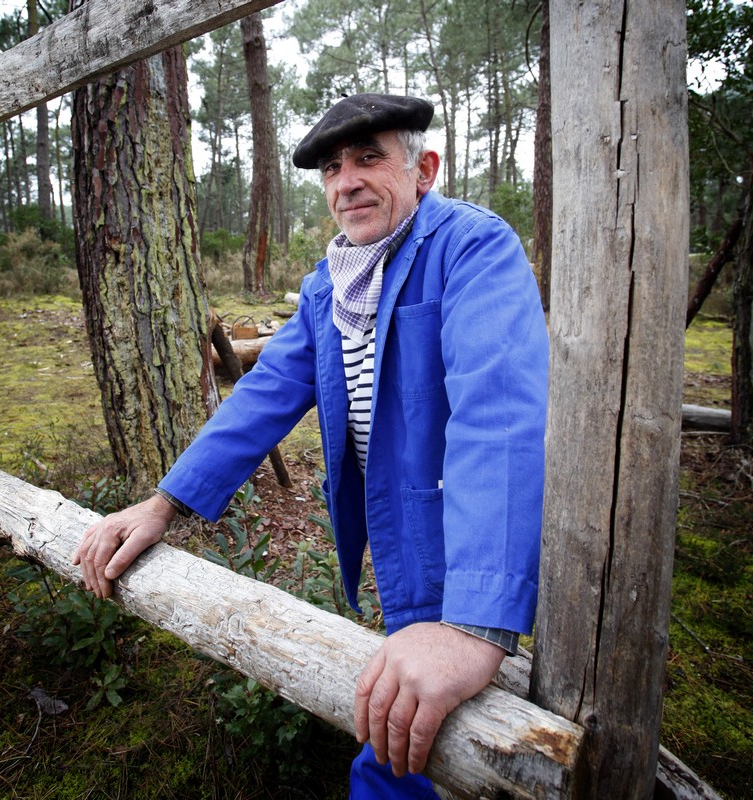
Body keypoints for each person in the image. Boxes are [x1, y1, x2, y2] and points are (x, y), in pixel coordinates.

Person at [73, 93, 548, 799]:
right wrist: (163, 504)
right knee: (404, 728)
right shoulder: (329, 285)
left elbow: (497, 419)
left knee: (411, 749)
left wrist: (475, 624)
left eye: (367, 159)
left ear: (423, 170)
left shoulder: (471, 247)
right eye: (331, 168)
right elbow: (264, 395)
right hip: (396, 539)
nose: (345, 182)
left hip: (470, 542)